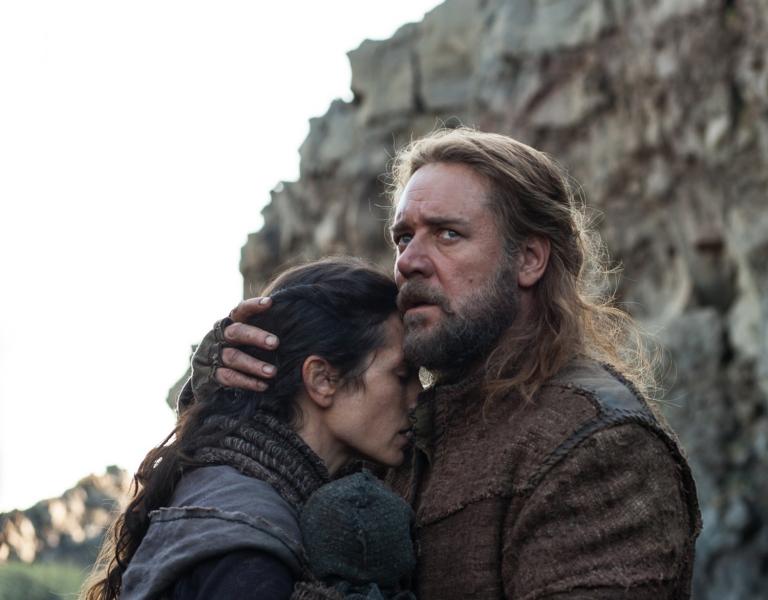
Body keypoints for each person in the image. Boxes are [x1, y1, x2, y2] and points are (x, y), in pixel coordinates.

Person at [187, 128, 702, 598]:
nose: (408, 261)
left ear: (528, 259)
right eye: (403, 237)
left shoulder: (596, 444)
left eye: (447, 234)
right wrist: (231, 381)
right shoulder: (404, 422)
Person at [82, 258, 421, 600]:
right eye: (402, 376)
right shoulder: (248, 550)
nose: (418, 397)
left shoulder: (231, 494)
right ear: (322, 379)